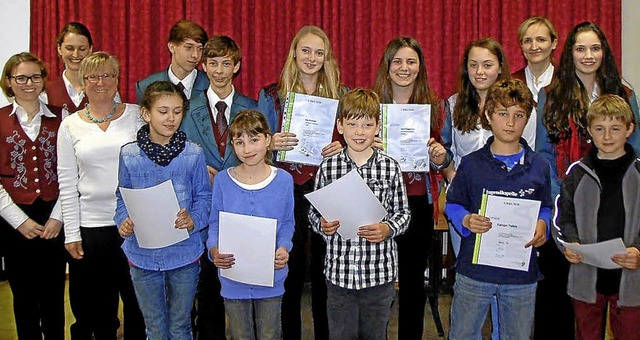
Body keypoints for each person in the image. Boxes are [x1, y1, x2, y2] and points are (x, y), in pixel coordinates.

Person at [535, 21, 640, 339]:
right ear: (569, 53)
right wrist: (564, 202)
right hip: (569, 215)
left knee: (624, 311)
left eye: (595, 47)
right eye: (580, 48)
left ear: (605, 52)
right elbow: (543, 154)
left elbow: (637, 156)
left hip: (618, 216)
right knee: (572, 309)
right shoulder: (550, 94)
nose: (588, 55)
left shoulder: (624, 94)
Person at [257, 25, 347, 340]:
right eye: (305, 50)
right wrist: (270, 142)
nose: (311, 58)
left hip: (326, 187)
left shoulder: (341, 94)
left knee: (326, 269)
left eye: (319, 53)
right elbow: (253, 140)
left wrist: (344, 146)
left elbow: (356, 137)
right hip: (286, 187)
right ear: (294, 52)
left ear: (327, 58)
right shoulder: (271, 94)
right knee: (289, 267)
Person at [445, 79, 552, 339]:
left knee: (516, 335)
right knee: (463, 334)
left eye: (519, 115)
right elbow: (452, 204)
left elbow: (545, 207)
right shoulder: (470, 165)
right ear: (489, 116)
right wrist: (466, 220)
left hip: (520, 274)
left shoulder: (539, 166)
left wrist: (543, 225)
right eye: (503, 114)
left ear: (527, 120)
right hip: (474, 271)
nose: (511, 122)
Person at [308, 88, 411, 339]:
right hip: (339, 275)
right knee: (341, 334)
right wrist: (322, 225)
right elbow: (313, 213)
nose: (360, 132)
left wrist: (388, 228)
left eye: (367, 124)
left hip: (378, 274)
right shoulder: (328, 167)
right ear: (340, 126)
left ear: (378, 127)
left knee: (375, 335)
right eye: (352, 124)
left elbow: (403, 213)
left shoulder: (390, 167)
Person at [57, 51, 146, 339]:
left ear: (117, 80)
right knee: (95, 310)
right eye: (93, 76)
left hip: (135, 225)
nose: (100, 82)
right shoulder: (69, 125)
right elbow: (68, 182)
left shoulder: (136, 116)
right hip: (91, 228)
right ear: (83, 82)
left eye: (108, 75)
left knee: (138, 304)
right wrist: (71, 233)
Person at [115, 81, 212, 339]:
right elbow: (122, 196)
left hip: (184, 254)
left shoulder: (193, 154)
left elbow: (204, 196)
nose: (171, 118)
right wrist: (123, 221)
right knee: (155, 328)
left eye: (178, 111)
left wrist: (194, 219)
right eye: (163, 111)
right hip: (142, 256)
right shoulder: (129, 154)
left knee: (181, 326)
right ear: (146, 113)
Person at [371, 36, 450, 340]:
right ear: (387, 66)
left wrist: (440, 157)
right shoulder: (371, 103)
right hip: (378, 202)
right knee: (376, 283)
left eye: (411, 61)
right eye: (397, 61)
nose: (404, 68)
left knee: (413, 283)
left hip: (418, 200)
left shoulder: (436, 106)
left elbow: (445, 155)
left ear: (420, 66)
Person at [181, 34, 257, 339]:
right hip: (201, 208)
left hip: (240, 208)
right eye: (213, 63)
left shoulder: (251, 106)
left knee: (240, 287)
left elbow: (261, 152)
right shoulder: (187, 107)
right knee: (207, 289)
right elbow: (179, 152)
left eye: (227, 63)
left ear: (236, 66)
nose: (220, 70)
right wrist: (199, 170)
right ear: (204, 65)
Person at [441, 38, 511, 338]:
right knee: (470, 280)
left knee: (503, 284)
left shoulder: (514, 106)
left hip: (506, 203)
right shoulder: (454, 104)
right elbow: (444, 151)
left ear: (499, 69)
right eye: (473, 65)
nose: (479, 72)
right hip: (465, 206)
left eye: (487, 65)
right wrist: (451, 174)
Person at [554, 94, 640, 340]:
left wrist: (639, 251)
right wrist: (570, 245)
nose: (607, 136)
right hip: (586, 273)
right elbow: (563, 218)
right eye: (600, 129)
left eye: (615, 129)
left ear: (629, 129)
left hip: (631, 276)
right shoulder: (577, 173)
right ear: (589, 131)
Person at [207, 109, 294, 339]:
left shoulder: (284, 180)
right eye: (239, 142)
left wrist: (284, 248)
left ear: (268, 140)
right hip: (233, 276)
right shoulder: (224, 180)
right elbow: (215, 222)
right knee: (240, 334)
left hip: (271, 276)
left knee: (269, 334)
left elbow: (287, 223)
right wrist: (214, 249)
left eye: (254, 140)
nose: (247, 149)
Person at [0, 52, 66, 340]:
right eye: (21, 78)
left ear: (43, 80)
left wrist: (58, 218)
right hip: (14, 219)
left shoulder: (61, 116)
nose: (29, 83)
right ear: (9, 82)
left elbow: (71, 173)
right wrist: (18, 221)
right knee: (23, 295)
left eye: (35, 76)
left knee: (53, 295)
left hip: (53, 216)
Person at [43, 22, 121, 112]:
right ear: (59, 49)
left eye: (82, 49)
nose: (76, 54)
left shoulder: (105, 87)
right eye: (69, 48)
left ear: (90, 49)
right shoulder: (47, 91)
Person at [135, 19, 209, 105]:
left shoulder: (211, 84)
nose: (195, 55)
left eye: (200, 49)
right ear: (172, 47)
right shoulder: (145, 87)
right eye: (189, 47)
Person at [512, 16, 559, 147]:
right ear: (521, 45)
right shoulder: (510, 83)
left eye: (541, 40)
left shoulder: (566, 82)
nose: (534, 46)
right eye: (527, 41)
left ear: (554, 43)